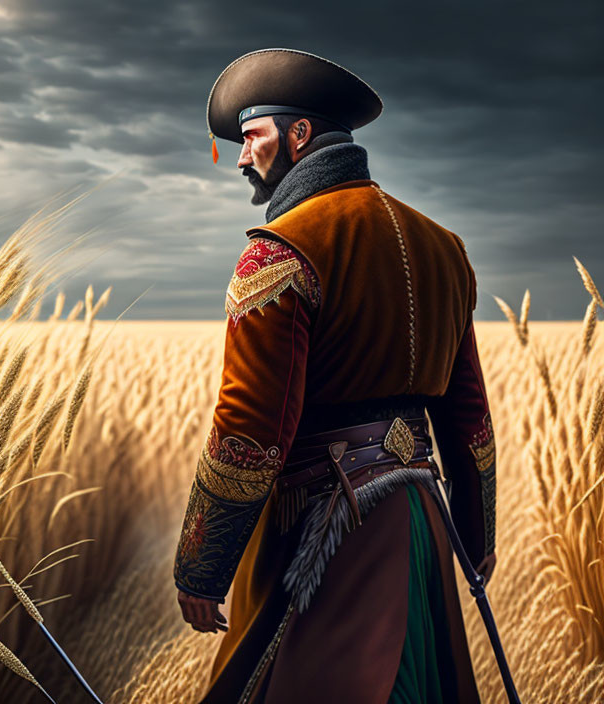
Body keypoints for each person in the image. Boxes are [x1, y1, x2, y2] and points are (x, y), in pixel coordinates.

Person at [173, 48, 497, 703]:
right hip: (419, 522)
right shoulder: (446, 249)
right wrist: (476, 536)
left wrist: (202, 568)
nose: (240, 157)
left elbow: (250, 432)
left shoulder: (279, 252)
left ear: (299, 136)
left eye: (252, 137)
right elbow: (471, 425)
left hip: (329, 534)